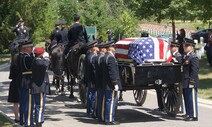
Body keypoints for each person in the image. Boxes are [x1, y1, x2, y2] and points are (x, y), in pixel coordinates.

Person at [102, 41, 121, 125]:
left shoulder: (105, 56)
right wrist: (115, 83)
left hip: (106, 83)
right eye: (114, 47)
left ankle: (106, 118)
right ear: (111, 48)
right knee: (111, 101)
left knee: (107, 101)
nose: (115, 49)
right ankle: (109, 119)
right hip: (110, 84)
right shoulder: (110, 58)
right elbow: (112, 72)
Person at [16, 41, 34, 126]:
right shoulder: (27, 58)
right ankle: (28, 122)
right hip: (27, 82)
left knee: (23, 103)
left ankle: (22, 120)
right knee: (28, 104)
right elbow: (31, 69)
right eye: (30, 47)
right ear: (25, 48)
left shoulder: (20, 56)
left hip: (21, 82)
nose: (31, 49)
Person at [31, 47, 50, 127]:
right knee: (40, 106)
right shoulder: (39, 62)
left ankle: (38, 120)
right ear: (41, 54)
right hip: (40, 87)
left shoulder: (35, 61)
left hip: (36, 87)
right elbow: (47, 63)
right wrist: (46, 58)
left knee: (38, 105)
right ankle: (39, 121)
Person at [182, 38, 199, 121]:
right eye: (185, 45)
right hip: (185, 80)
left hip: (191, 80)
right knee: (187, 98)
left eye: (187, 45)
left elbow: (194, 70)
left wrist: (192, 81)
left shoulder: (193, 57)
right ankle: (189, 113)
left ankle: (193, 115)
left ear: (192, 47)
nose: (185, 47)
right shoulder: (187, 56)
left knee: (191, 98)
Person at [84, 41, 99, 118]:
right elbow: (94, 70)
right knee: (92, 96)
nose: (98, 48)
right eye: (97, 46)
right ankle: (91, 112)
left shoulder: (88, 55)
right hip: (93, 80)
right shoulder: (93, 56)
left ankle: (89, 112)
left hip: (89, 79)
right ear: (93, 48)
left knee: (90, 95)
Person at [94, 42, 107, 122]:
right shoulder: (102, 58)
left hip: (98, 80)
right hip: (102, 81)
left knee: (99, 98)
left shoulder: (97, 57)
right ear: (103, 49)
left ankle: (99, 114)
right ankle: (101, 116)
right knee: (102, 99)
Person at [8, 51, 20, 123]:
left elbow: (11, 76)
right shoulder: (21, 66)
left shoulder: (13, 66)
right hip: (20, 84)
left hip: (14, 84)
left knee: (15, 103)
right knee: (23, 102)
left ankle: (16, 117)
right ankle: (22, 116)